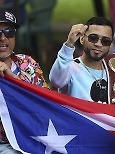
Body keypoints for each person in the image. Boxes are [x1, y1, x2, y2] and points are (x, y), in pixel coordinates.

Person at [49, 17, 115, 105]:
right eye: (93, 38)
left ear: (110, 45)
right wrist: (69, 44)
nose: (98, 44)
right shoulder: (70, 67)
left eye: (105, 41)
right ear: (82, 39)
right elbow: (56, 81)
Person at [0, 8, 48, 153]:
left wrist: (12, 79)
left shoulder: (28, 63)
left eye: (9, 32)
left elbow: (46, 104)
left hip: (32, 138)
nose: (3, 38)